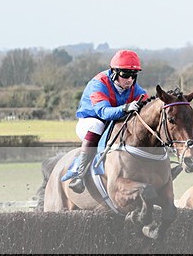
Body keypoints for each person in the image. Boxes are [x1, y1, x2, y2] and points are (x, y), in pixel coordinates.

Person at [63, 49, 149, 193]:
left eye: (133, 76)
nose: (130, 80)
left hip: (112, 122)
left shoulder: (134, 87)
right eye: (125, 75)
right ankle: (79, 173)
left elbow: (148, 104)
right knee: (97, 125)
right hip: (90, 121)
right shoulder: (98, 83)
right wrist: (126, 108)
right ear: (114, 72)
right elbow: (103, 112)